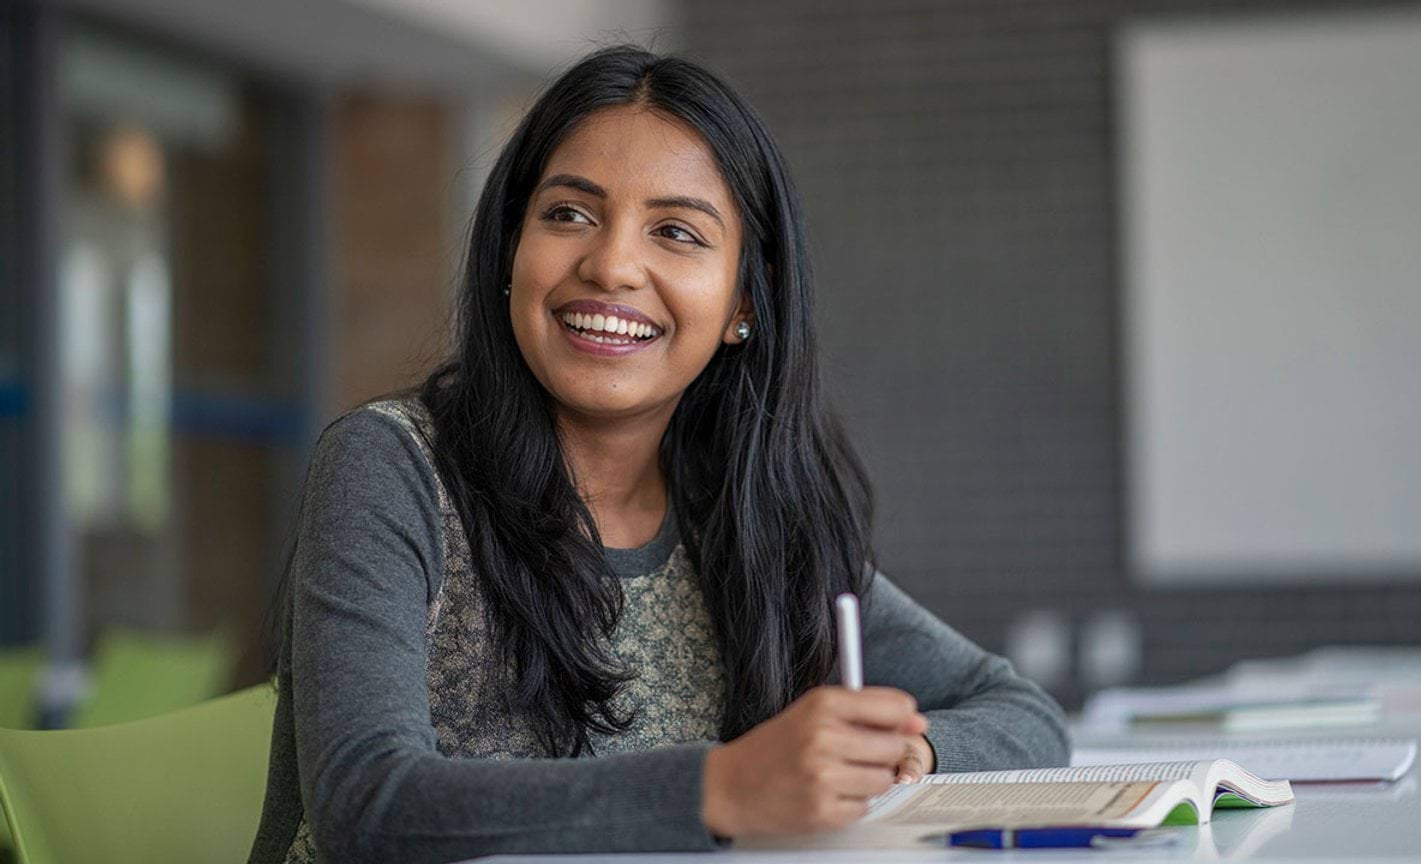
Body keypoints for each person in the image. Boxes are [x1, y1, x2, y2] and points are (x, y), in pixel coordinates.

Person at [248, 45, 1068, 864]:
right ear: (510, 250)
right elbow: (368, 801)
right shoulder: (391, 468)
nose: (611, 265)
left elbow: (1021, 711)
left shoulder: (748, 518)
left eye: (675, 231)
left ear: (746, 299)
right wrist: (723, 789)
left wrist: (902, 758)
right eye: (568, 214)